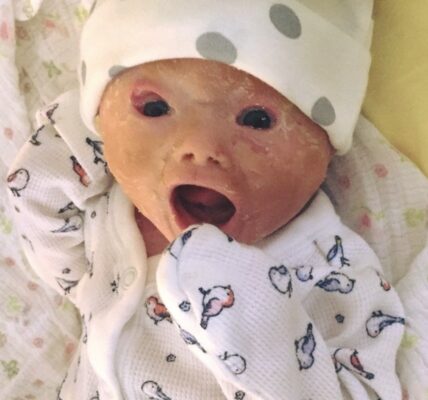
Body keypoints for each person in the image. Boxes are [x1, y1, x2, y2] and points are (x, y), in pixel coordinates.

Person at [6, 0, 405, 399]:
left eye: (257, 120)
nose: (200, 146)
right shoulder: (110, 213)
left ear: (326, 148)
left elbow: (365, 389)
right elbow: (36, 202)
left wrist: (253, 320)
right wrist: (78, 134)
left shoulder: (329, 265)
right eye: (155, 108)